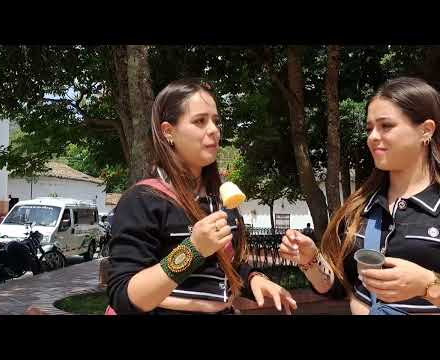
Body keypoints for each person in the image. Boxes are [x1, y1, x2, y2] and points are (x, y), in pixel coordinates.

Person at [107, 78, 297, 315]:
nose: (214, 130)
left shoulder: (219, 199)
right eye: (199, 121)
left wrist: (255, 278)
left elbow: (229, 264)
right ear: (168, 132)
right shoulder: (143, 199)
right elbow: (123, 296)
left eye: (216, 121)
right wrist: (192, 250)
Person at [280, 77, 440, 315]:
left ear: (425, 130)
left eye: (386, 126)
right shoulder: (362, 206)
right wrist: (310, 259)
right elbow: (339, 286)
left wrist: (428, 286)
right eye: (370, 128)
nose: (373, 137)